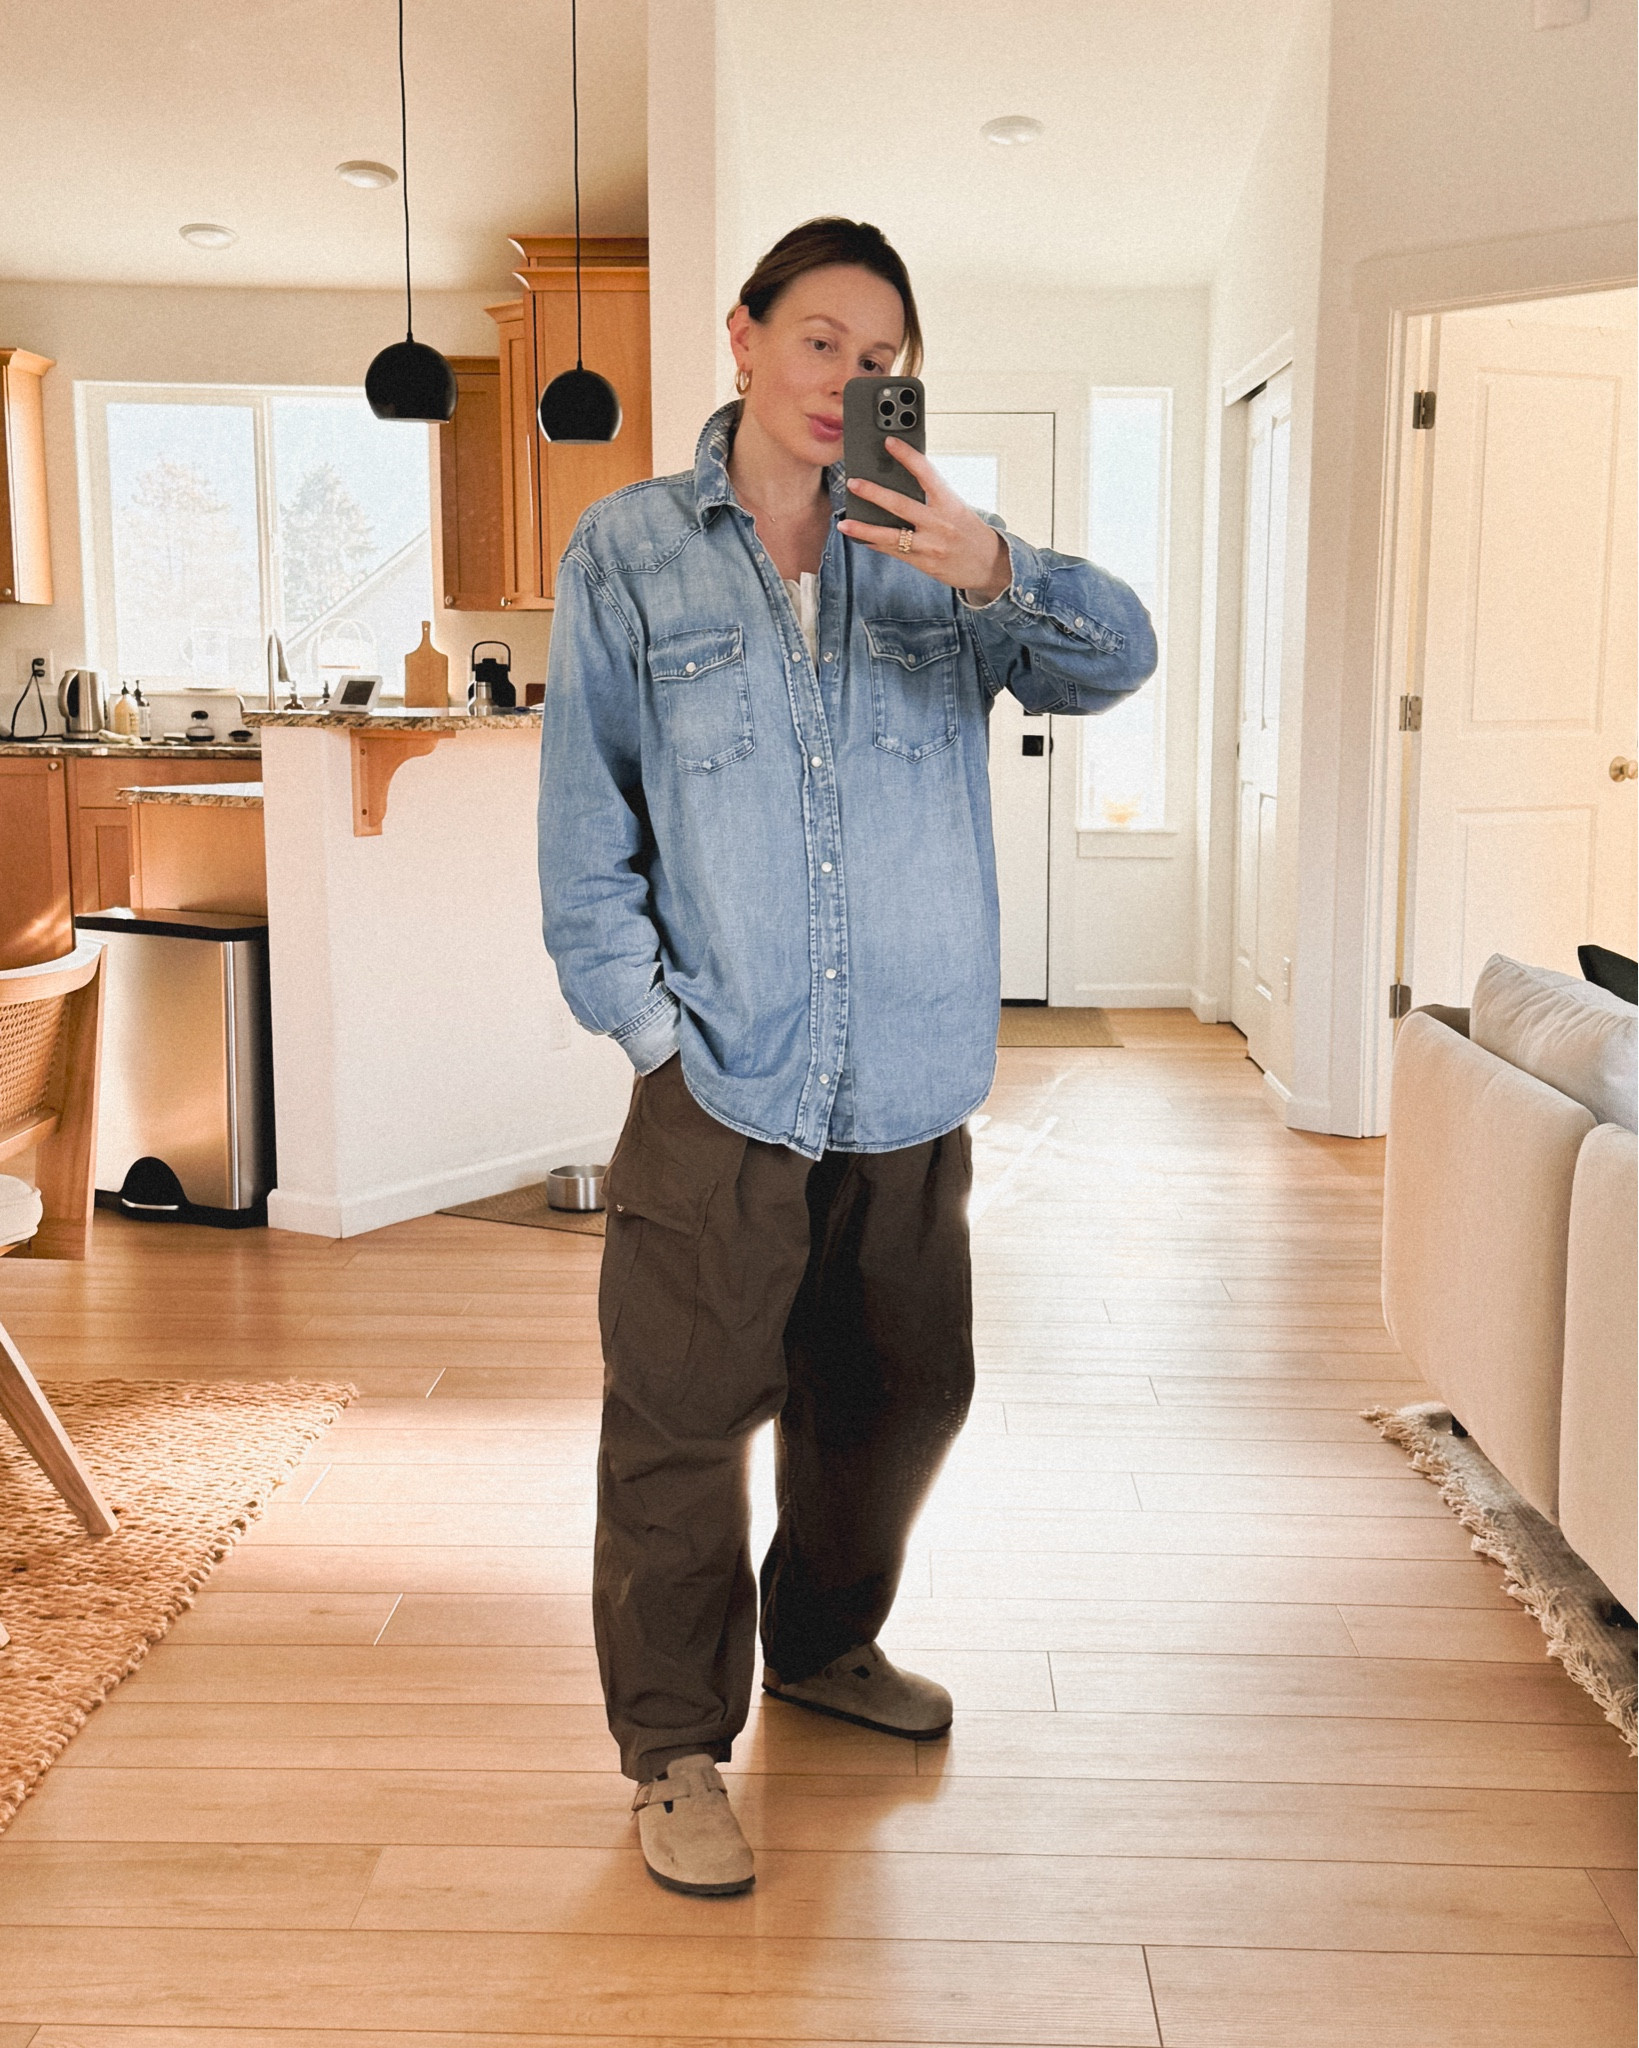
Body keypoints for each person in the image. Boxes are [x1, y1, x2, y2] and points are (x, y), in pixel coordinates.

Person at [538, 217, 1157, 1896]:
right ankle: (676, 1747)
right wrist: (657, 1038)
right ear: (743, 339)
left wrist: (996, 567)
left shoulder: (947, 560)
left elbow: (1125, 657)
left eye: (884, 358)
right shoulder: (631, 554)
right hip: (722, 1085)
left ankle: (819, 1643)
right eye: (823, 341)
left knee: (895, 1401)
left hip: (908, 1089)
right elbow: (585, 835)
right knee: (677, 1426)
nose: (851, 379)